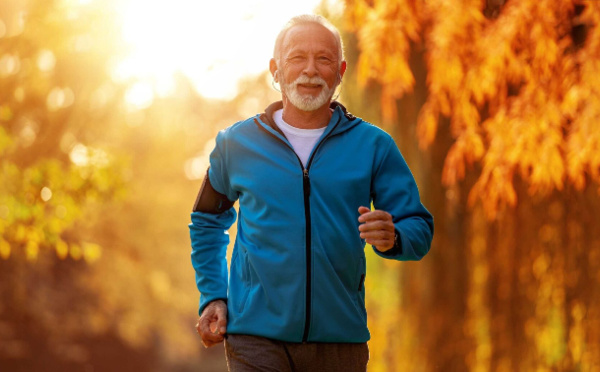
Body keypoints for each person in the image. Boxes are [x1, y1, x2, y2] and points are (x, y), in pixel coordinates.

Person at [189, 14, 434, 372]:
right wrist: (213, 294)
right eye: (296, 58)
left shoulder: (373, 146)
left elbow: (419, 227)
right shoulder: (236, 145)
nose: (310, 70)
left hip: (339, 343)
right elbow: (207, 220)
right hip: (255, 338)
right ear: (275, 70)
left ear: (340, 72)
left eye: (323, 59)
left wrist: (394, 236)